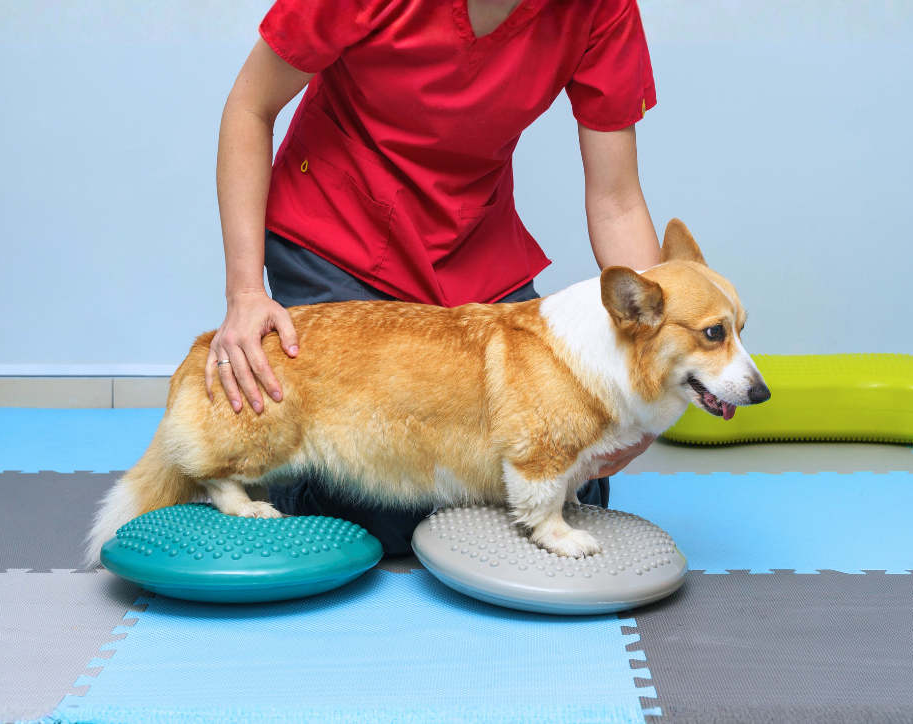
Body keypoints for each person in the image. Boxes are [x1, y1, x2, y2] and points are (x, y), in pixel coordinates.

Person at [206, 0, 661, 555]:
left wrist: (654, 363)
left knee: (572, 472)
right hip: (339, 232)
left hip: (474, 251)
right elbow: (250, 107)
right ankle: (284, 469)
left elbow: (617, 200)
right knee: (383, 513)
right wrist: (245, 292)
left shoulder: (601, 8)